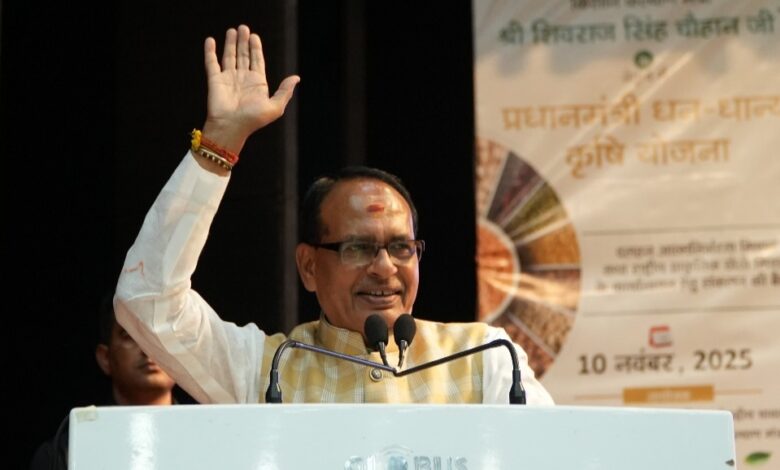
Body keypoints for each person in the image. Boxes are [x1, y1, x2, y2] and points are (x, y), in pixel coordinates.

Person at [114, 25, 554, 405]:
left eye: (400, 247)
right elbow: (148, 300)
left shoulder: (487, 359)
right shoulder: (265, 371)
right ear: (309, 266)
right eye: (358, 248)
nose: (384, 267)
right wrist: (218, 144)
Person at [30, 293, 179, 470]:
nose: (148, 349)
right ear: (105, 358)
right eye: (129, 335)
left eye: (160, 334)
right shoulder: (64, 454)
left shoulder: (205, 434)